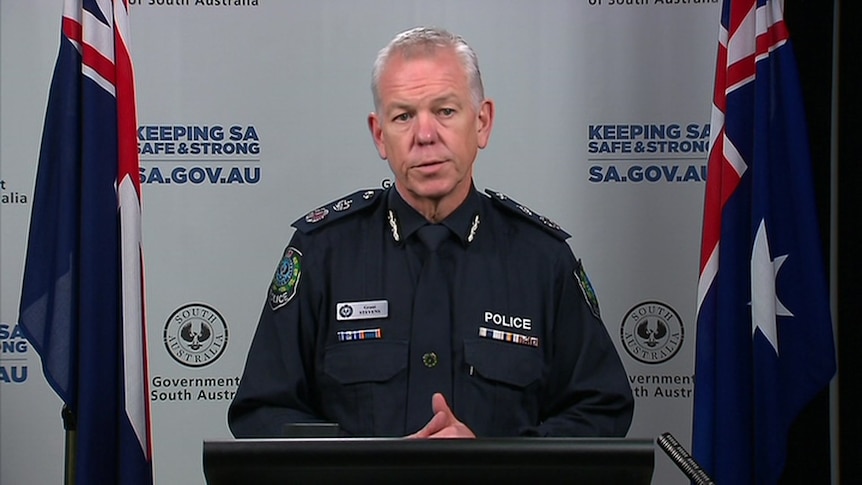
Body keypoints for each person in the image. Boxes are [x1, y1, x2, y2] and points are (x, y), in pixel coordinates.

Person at [228, 26, 633, 439]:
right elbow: (262, 413)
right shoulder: (322, 253)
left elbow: (601, 409)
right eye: (404, 116)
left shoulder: (542, 260)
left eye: (445, 111)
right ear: (380, 134)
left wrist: (495, 462)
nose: (425, 136)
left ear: (482, 122)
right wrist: (366, 467)